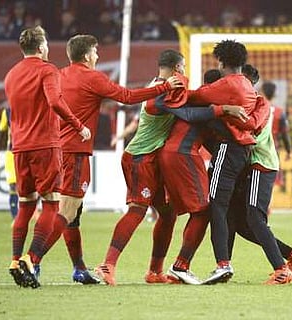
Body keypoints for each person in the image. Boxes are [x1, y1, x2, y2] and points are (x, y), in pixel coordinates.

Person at [37, 34, 183, 285]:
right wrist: (166, 87)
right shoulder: (92, 77)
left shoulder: (59, 75)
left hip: (59, 149)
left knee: (74, 214)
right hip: (90, 151)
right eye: (95, 51)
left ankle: (81, 268)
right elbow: (126, 97)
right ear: (86, 55)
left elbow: (48, 105)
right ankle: (33, 259)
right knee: (70, 211)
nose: (98, 55)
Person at [94, 50, 245, 286]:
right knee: (137, 210)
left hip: (155, 158)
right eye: (183, 67)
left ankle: (155, 271)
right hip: (140, 157)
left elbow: (189, 103)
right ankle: (107, 265)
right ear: (177, 68)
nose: (184, 71)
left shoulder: (164, 87)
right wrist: (222, 109)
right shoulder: (160, 92)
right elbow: (187, 112)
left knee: (168, 213)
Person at [4, 25, 91, 288]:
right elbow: (54, 102)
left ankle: (15, 259)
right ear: (42, 47)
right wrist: (78, 125)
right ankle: (31, 260)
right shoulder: (47, 70)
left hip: (20, 147)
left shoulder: (11, 74)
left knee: (25, 206)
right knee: (52, 204)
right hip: (45, 145)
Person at [160, 69, 249, 285]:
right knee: (203, 210)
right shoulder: (204, 103)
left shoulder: (198, 102)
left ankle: (162, 268)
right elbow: (193, 116)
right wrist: (226, 109)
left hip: (174, 154)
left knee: (173, 212)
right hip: (183, 154)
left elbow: (211, 139)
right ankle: (180, 265)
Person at [225, 64, 292, 285]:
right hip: (253, 166)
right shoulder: (249, 103)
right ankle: (291, 255)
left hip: (261, 164)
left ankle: (281, 270)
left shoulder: (262, 106)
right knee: (241, 223)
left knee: (254, 217)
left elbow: (251, 140)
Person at [187, 40, 259, 284]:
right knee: (225, 209)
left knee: (215, 206)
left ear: (222, 61)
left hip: (228, 150)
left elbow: (194, 97)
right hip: (244, 152)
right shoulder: (247, 84)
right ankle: (224, 262)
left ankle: (223, 264)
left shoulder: (226, 84)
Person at [261, 81, 292, 187]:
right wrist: (289, 151)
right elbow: (285, 135)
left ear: (262, 92)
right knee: (271, 182)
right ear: (274, 95)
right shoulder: (280, 112)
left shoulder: (257, 108)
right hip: (273, 151)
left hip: (257, 149)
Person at [0, 106, 18, 221]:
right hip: (11, 153)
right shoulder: (7, 112)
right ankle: (15, 218)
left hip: (27, 152)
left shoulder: (30, 108)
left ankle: (28, 214)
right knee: (13, 185)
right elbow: (1, 134)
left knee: (28, 187)